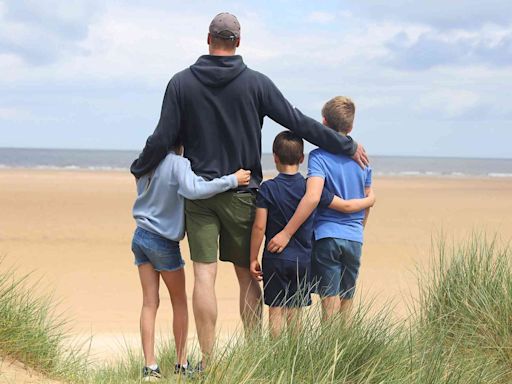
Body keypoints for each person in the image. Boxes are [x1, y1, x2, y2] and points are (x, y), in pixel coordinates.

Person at [130, 12, 369, 368]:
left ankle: (208, 364)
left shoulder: (181, 83)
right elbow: (298, 121)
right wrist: (344, 144)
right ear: (238, 42)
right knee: (246, 275)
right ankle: (254, 358)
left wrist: (140, 166)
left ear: (207, 39)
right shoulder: (255, 83)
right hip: (244, 194)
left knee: (204, 277)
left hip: (201, 197)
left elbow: (163, 138)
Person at [131, 138, 251, 380]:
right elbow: (194, 189)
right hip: (163, 241)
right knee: (179, 302)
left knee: (149, 303)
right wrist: (232, 180)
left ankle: (150, 367)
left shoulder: (144, 163)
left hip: (140, 236)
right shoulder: (177, 163)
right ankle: (181, 363)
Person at [249, 131, 374, 337]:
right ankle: (295, 355)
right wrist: (369, 201)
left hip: (275, 257)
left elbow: (259, 227)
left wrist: (253, 257)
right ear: (301, 158)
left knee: (276, 310)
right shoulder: (311, 189)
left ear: (275, 157)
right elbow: (343, 205)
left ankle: (275, 355)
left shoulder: (268, 188)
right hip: (303, 258)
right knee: (296, 311)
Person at [267, 97, 373, 321]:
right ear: (351, 127)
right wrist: (359, 229)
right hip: (355, 237)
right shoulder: (363, 160)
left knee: (329, 300)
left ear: (323, 124)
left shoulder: (318, 157)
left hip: (326, 235)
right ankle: (345, 349)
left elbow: (313, 196)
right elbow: (367, 201)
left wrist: (286, 233)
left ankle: (328, 350)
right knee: (347, 298)